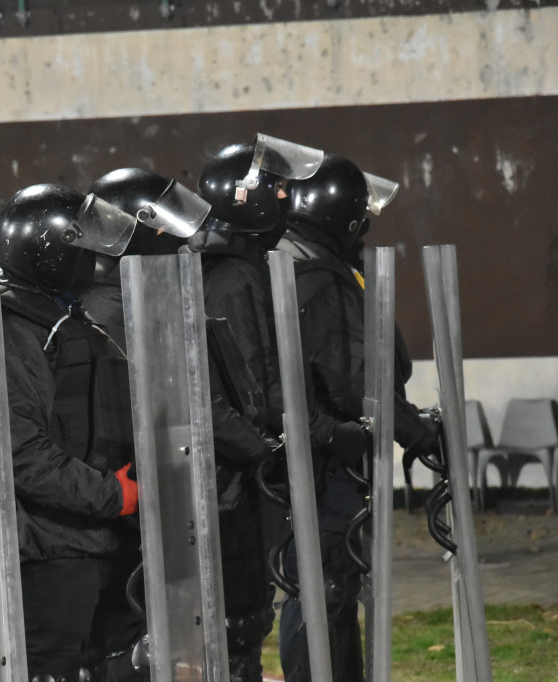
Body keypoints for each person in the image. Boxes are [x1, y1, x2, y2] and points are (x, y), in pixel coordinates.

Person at [84, 166, 274, 682]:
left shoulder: (112, 301)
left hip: (137, 503)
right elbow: (193, 402)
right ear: (134, 228)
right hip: (140, 507)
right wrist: (261, 449)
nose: (176, 239)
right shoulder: (123, 310)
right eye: (163, 227)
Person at [275, 153, 440, 682]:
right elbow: (356, 382)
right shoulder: (321, 277)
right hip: (332, 461)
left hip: (323, 456)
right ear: (343, 219)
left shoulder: (297, 262)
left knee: (328, 590)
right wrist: (418, 432)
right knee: (326, 590)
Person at [195, 137, 347, 681]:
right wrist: (287, 441)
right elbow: (255, 386)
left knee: (248, 618)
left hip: (240, 473)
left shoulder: (238, 265)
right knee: (240, 624)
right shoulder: (233, 277)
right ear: (249, 199)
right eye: (278, 188)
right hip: (233, 481)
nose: (287, 198)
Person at [0, 183, 144, 682]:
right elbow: (22, 453)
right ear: (54, 251)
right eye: (82, 246)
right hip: (54, 549)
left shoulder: (64, 317)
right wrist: (112, 495)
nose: (94, 258)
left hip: (99, 537)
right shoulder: (14, 329)